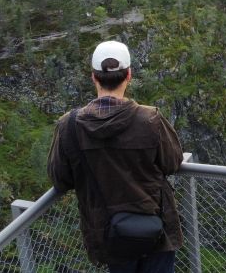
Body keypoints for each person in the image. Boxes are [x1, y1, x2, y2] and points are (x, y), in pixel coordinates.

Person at [48, 40, 183, 273]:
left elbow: (60, 179)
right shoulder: (149, 119)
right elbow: (172, 162)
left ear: (94, 77)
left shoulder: (69, 126)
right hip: (155, 228)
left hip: (109, 233)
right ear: (129, 75)